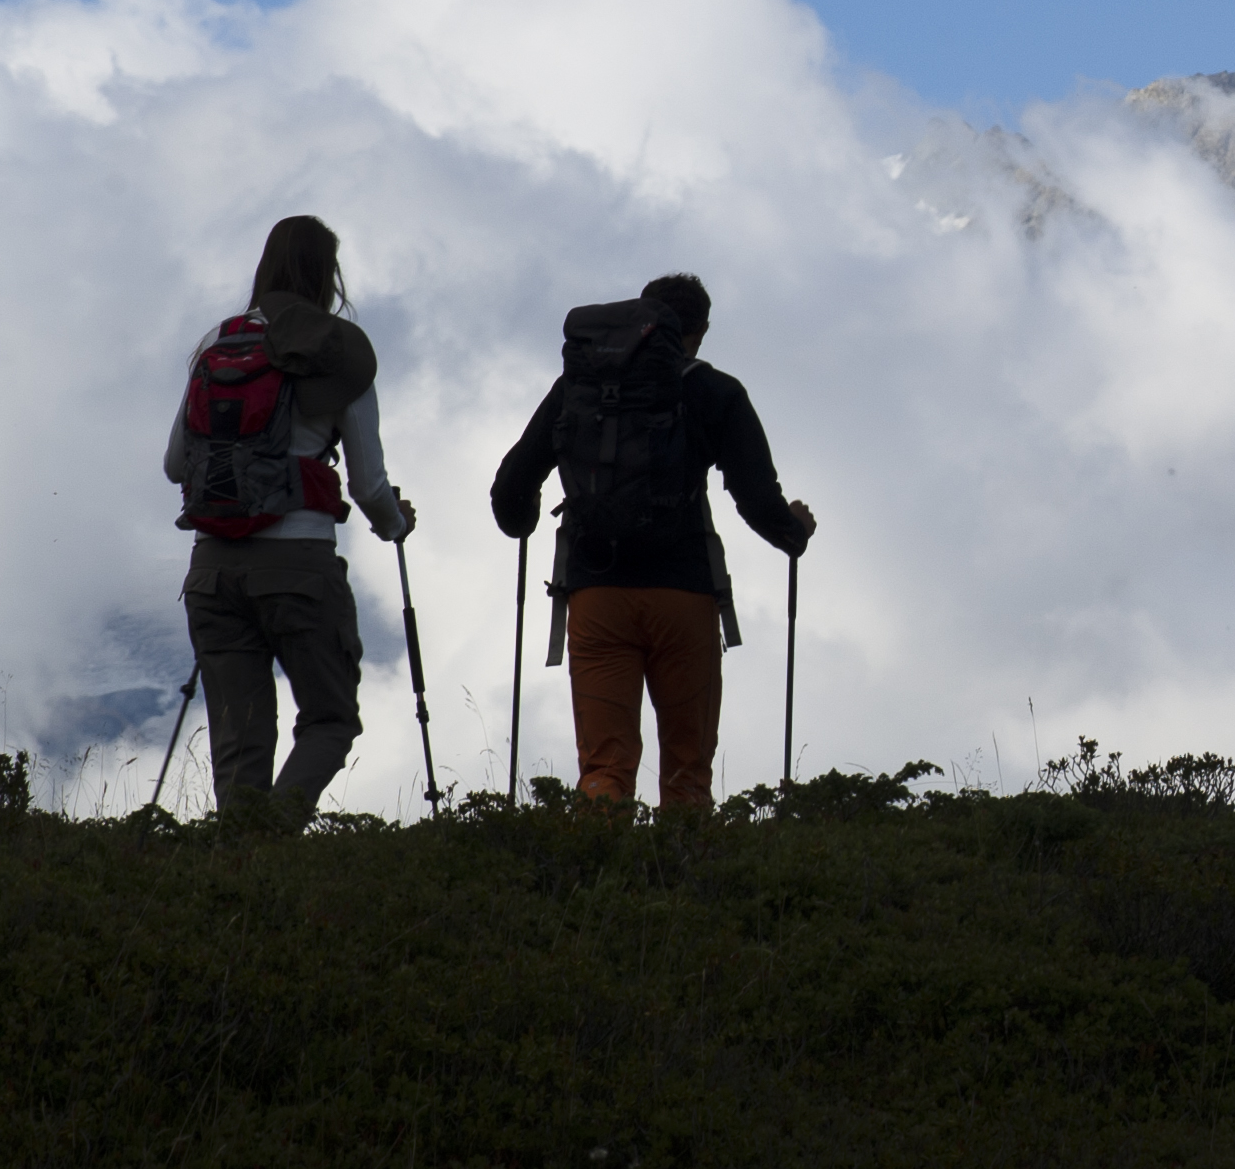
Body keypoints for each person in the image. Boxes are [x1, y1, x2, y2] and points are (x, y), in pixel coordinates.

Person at [488, 273, 815, 813]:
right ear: (701, 330)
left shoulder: (578, 387)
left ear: (642, 317)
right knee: (688, 770)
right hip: (685, 591)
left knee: (604, 766)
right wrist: (793, 533)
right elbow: (757, 500)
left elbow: (512, 487)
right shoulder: (717, 392)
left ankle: (591, 879)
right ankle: (685, 885)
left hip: (596, 593)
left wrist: (522, 522)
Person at [165, 214, 415, 826]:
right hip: (300, 563)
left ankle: (239, 861)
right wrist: (395, 524)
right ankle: (273, 839)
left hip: (213, 569)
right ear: (326, 274)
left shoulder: (216, 345)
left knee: (239, 733)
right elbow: (369, 483)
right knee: (330, 719)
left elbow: (176, 466)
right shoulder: (337, 354)